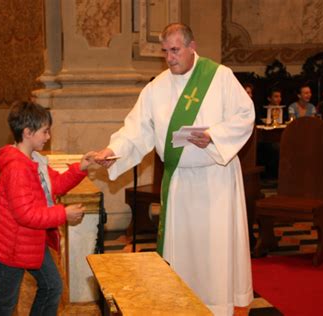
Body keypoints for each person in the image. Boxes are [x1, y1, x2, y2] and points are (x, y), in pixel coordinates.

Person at [95, 23, 254, 315]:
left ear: (192, 47)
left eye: (176, 51)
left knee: (213, 252)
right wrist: (112, 151)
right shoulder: (156, 88)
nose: (169, 58)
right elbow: (136, 129)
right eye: (165, 52)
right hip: (180, 183)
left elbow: (245, 116)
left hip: (215, 181)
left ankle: (217, 308)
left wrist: (214, 136)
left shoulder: (219, 78)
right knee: (183, 255)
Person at [0, 101, 95, 316]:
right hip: (13, 246)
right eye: (45, 131)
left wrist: (81, 166)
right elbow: (25, 214)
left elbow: (55, 185)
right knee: (5, 305)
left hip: (31, 241)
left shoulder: (35, 160)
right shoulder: (17, 168)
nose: (48, 136)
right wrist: (63, 214)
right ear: (28, 132)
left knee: (52, 286)